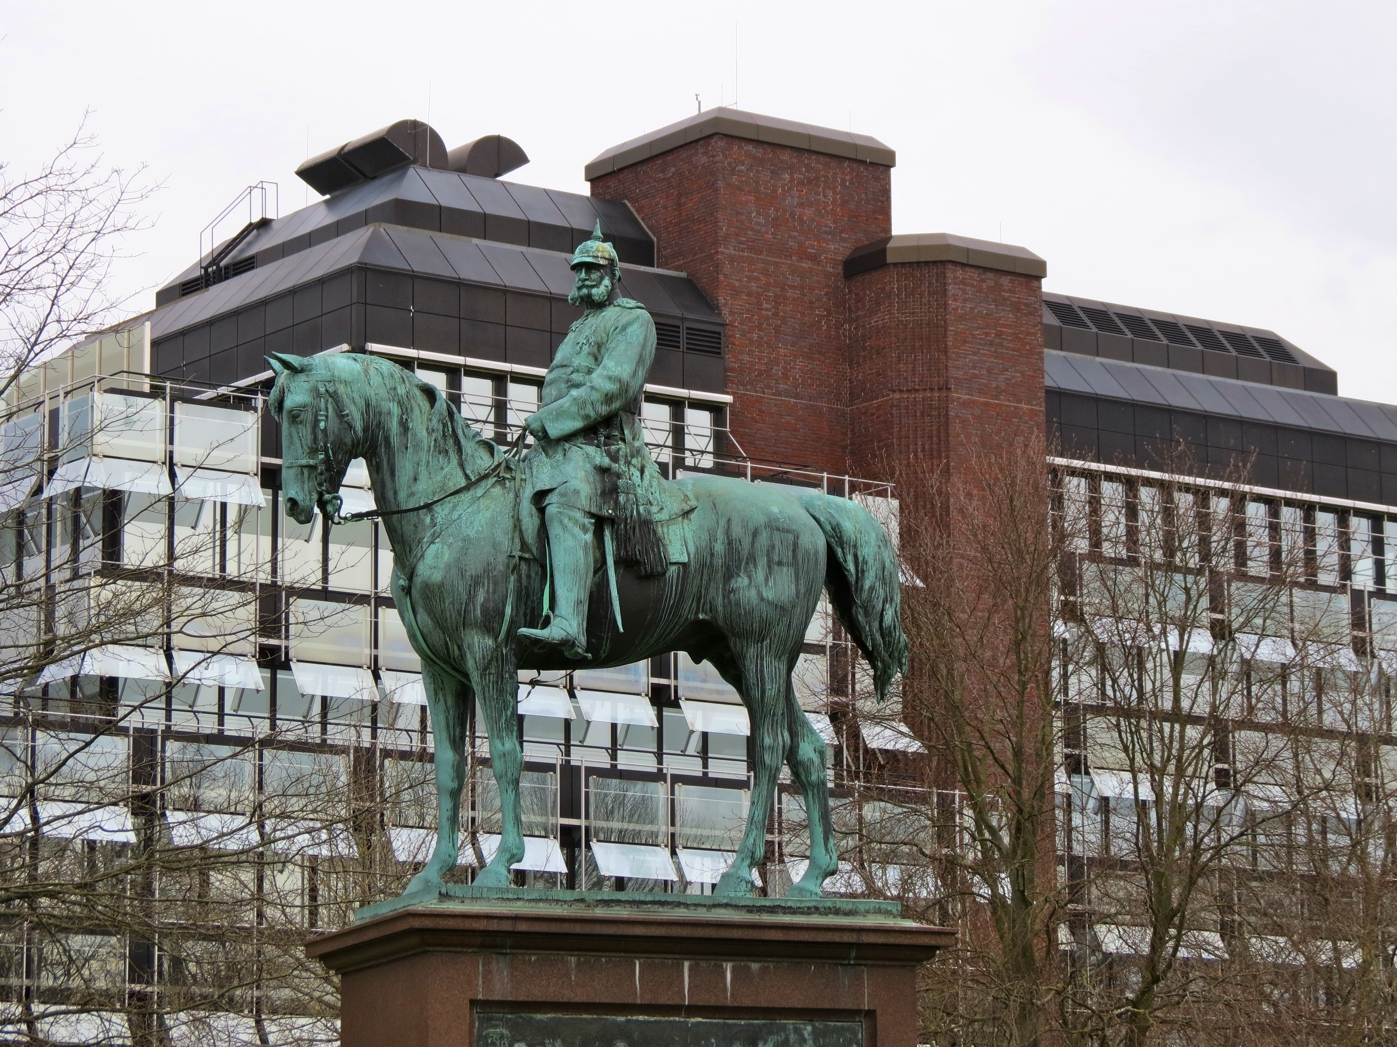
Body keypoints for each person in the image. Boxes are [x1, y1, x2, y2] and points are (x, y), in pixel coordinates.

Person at [516, 223, 689, 659]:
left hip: (606, 452)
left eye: (593, 271)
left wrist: (549, 420)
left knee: (565, 499)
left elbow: (611, 387)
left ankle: (569, 623)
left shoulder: (634, 320)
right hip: (561, 447)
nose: (584, 278)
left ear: (612, 276)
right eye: (579, 271)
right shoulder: (579, 327)